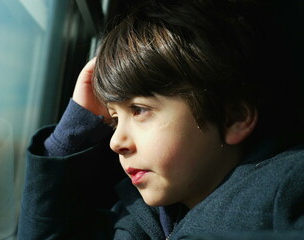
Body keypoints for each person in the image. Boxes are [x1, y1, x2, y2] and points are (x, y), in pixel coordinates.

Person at [18, 0, 304, 239]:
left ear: (234, 118)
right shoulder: (134, 219)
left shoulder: (287, 190)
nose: (116, 142)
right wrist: (72, 133)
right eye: (114, 119)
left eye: (139, 110)